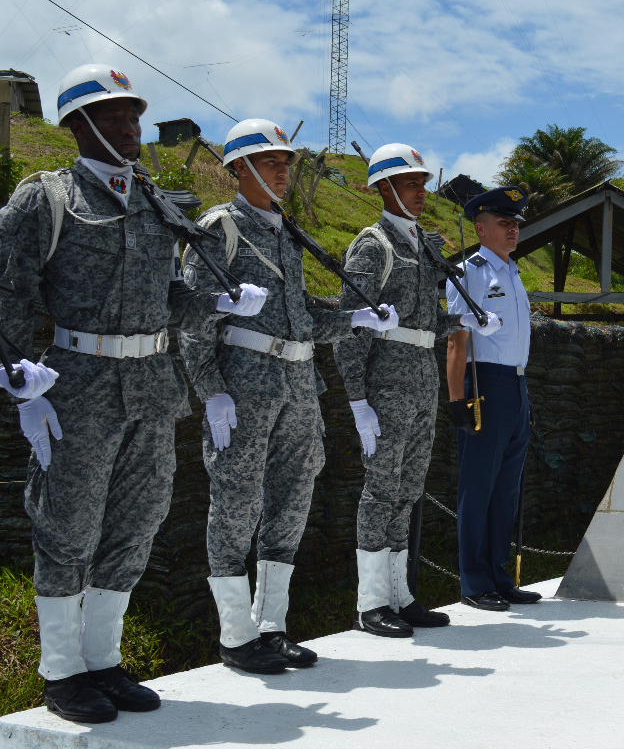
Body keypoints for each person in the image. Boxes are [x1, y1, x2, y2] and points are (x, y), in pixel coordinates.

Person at [0, 64, 268, 723]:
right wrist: (15, 376)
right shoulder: (48, 199)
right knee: (67, 527)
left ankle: (103, 661)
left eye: (133, 116)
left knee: (137, 523)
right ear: (76, 125)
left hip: (152, 385)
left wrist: (220, 303)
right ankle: (61, 673)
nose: (129, 127)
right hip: (78, 381)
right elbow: (9, 287)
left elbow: (169, 296)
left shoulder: (154, 203)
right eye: (113, 116)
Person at [179, 119, 398, 673]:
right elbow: (191, 317)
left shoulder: (287, 233)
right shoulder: (219, 228)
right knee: (235, 505)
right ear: (239, 169)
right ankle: (235, 636)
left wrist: (356, 318)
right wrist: (210, 391)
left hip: (300, 388)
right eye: (272, 161)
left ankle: (271, 627)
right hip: (244, 389)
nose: (284, 170)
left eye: (286, 162)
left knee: (291, 504)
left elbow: (300, 318)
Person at [335, 144, 500, 637]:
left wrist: (464, 319)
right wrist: (357, 399)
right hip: (385, 384)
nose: (421, 192)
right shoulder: (372, 245)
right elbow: (353, 326)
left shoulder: (421, 245)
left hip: (420, 381)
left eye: (422, 183)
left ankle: (400, 594)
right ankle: (370, 602)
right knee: (380, 490)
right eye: (410, 183)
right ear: (383, 189)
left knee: (408, 491)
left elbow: (423, 319)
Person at [446, 186, 542, 611]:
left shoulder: (513, 271)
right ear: (481, 228)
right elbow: (456, 339)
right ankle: (474, 581)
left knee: (506, 488)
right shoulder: (472, 271)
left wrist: (524, 396)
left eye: (516, 223)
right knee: (479, 486)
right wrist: (456, 399)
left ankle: (499, 576)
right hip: (484, 383)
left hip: (515, 385)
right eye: (504, 223)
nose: (513, 230)